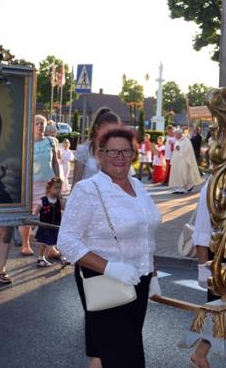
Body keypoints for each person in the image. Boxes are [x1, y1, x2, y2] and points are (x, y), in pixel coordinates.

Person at [58, 127, 162, 368]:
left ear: (133, 154)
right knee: (127, 358)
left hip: (139, 280)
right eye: (113, 151)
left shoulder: (138, 186)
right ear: (100, 155)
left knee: (107, 355)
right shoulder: (88, 190)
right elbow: (66, 241)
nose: (120, 157)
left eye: (126, 151)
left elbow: (145, 234)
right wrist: (109, 268)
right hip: (104, 281)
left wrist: (153, 273)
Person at [190, 181, 226, 368]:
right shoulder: (213, 183)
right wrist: (203, 269)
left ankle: (199, 354)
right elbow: (201, 230)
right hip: (220, 259)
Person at [19, 115, 60, 256]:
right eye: (36, 123)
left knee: (51, 215)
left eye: (42, 123)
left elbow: (55, 162)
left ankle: (51, 247)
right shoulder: (26, 143)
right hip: (31, 185)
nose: (40, 126)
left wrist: (58, 180)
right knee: (28, 215)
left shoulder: (51, 142)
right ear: (31, 126)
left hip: (48, 184)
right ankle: (25, 245)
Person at [72, 107, 121, 187]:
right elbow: (76, 183)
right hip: (88, 193)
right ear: (97, 128)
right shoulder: (84, 150)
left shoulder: (120, 152)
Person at [35, 177, 68, 268]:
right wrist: (34, 222)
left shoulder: (58, 200)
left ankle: (62, 257)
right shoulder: (43, 200)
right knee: (44, 243)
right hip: (45, 226)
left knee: (57, 242)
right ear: (49, 188)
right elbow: (36, 211)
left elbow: (63, 208)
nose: (58, 190)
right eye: (56, 188)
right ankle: (41, 258)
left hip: (56, 226)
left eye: (59, 188)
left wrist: (61, 199)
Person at [168, 129, 202, 194]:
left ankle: (184, 187)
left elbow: (188, 149)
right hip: (177, 161)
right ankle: (180, 187)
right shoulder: (178, 141)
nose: (175, 136)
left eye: (176, 134)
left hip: (183, 160)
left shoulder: (186, 140)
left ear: (179, 134)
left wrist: (180, 149)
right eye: (175, 135)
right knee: (178, 174)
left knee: (183, 174)